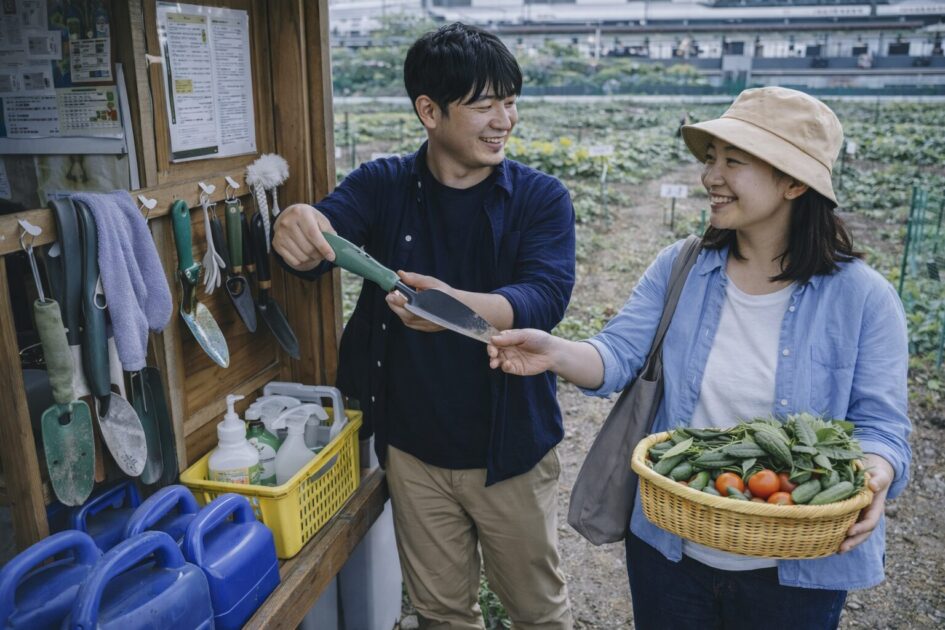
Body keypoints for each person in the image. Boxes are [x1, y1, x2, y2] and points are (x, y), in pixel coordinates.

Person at [488, 86, 911, 629]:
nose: (711, 176)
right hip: (670, 553)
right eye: (711, 158)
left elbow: (881, 428)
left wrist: (874, 475)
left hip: (797, 571)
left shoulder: (864, 298)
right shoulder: (682, 266)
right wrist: (554, 352)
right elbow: (616, 355)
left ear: (793, 181)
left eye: (733, 161)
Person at [273, 23, 575, 630]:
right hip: (413, 452)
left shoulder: (540, 198)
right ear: (429, 111)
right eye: (484, 103)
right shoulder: (383, 184)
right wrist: (296, 229)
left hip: (508, 451)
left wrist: (454, 307)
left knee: (537, 613)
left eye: (510, 101)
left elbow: (544, 295)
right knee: (440, 613)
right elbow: (324, 236)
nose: (504, 120)